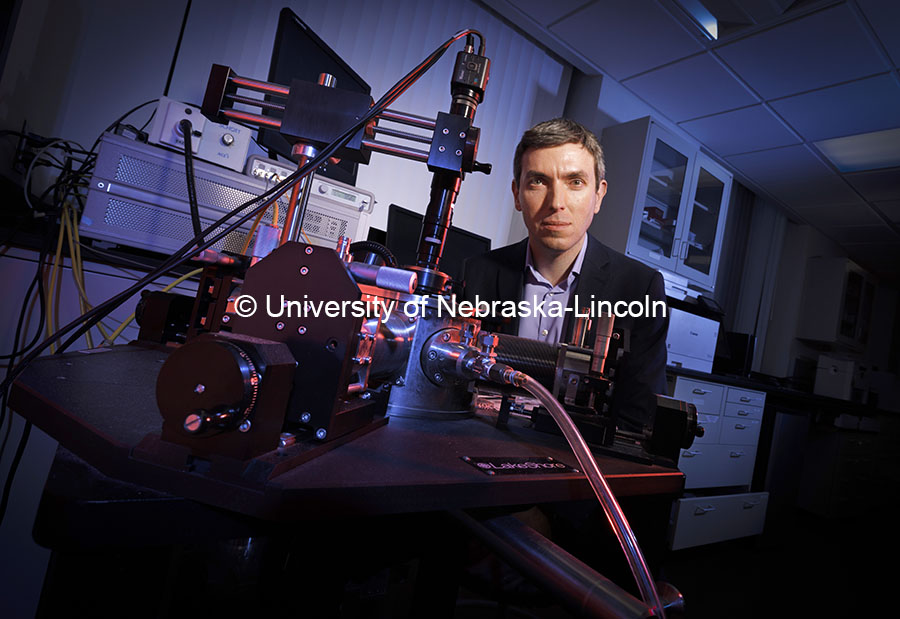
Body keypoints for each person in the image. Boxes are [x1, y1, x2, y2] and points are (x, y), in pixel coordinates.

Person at [461, 118, 668, 430]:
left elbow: (637, 421)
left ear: (598, 195)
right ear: (517, 195)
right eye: (538, 182)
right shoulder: (478, 274)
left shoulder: (640, 289)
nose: (556, 203)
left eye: (575, 182)